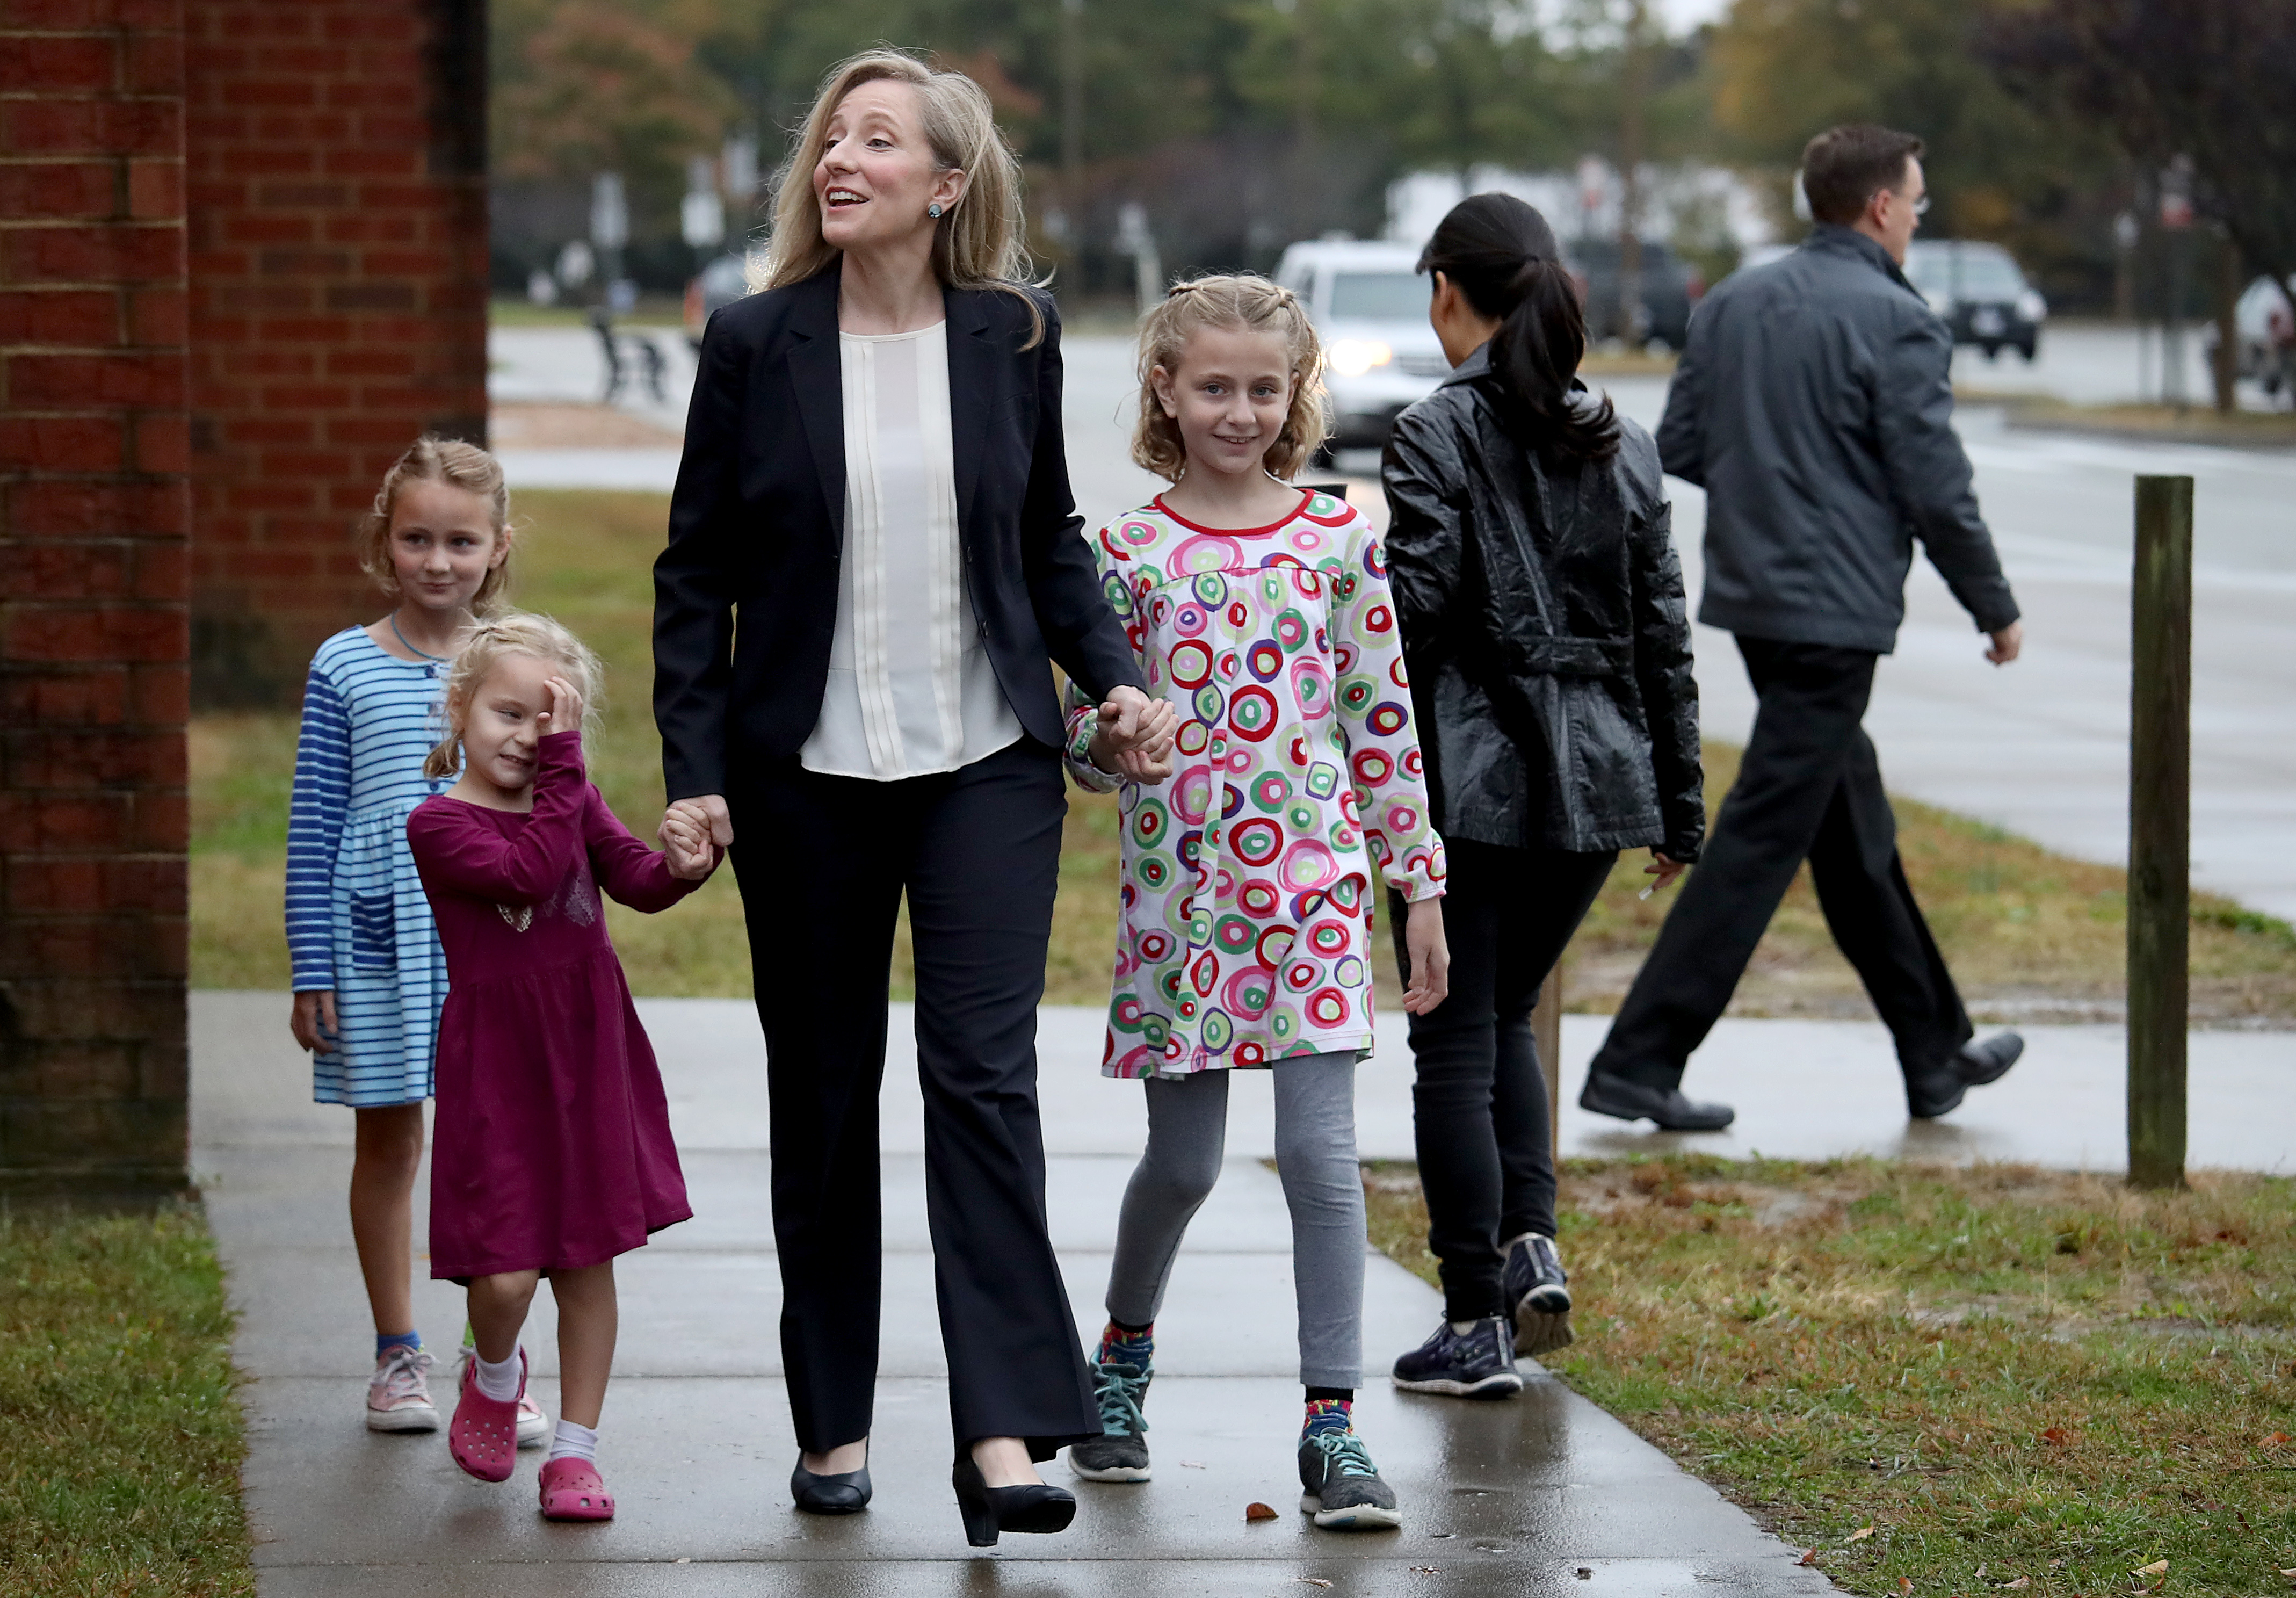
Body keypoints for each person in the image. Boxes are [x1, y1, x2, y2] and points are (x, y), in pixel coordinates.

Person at [651, 49, 1175, 1547]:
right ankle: (833, 1420)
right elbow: (696, 582)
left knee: (980, 1083)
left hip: (984, 764)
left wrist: (1113, 675)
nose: (840, 156)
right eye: (832, 134)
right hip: (802, 776)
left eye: (877, 140)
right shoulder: (754, 341)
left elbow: (1046, 537)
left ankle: (1003, 1431)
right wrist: (696, 778)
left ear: (944, 185)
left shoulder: (1012, 334)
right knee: (821, 1103)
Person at [1057, 273, 1447, 1532]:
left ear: (1296, 398)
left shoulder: (1339, 538)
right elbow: (1075, 726)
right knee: (1183, 1163)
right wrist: (1104, 742)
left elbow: (1382, 725)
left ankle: (1330, 1429)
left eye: (1262, 390)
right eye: (1212, 386)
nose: (1237, 411)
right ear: (1164, 389)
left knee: (1323, 1162)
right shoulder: (1122, 552)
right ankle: (1119, 1361)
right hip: (1182, 902)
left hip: (1316, 892)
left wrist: (1416, 887)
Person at [1580, 124, 2026, 1132]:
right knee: (1760, 840)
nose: (1917, 218)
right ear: (1878, 207)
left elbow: (1682, 445)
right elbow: (1934, 485)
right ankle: (1638, 1060)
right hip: (1835, 615)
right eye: (1915, 202)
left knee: (1850, 826)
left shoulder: (1734, 301)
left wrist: (1776, 484)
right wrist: (1991, 605)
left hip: (1754, 601)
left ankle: (1935, 1052)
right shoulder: (1896, 319)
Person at [1380, 194, 1705, 1395]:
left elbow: (1413, 618)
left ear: (1448, 295)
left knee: (1449, 1039)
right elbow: (1658, 638)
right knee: (1502, 1015)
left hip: (1469, 784)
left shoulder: (1431, 432)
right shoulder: (1620, 441)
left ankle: (1473, 1317)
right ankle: (1527, 1248)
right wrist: (1678, 807)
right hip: (1601, 790)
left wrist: (1360, 749)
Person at [407, 612, 718, 1522]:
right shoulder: (439, 822)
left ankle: (575, 1456)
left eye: (546, 725)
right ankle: (494, 1369)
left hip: (588, 1055)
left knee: (587, 1262)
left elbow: (632, 877)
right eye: (510, 715)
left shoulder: (566, 798)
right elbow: (529, 877)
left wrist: (683, 863)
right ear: (459, 709)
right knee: (502, 1277)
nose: (529, 741)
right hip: (500, 1068)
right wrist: (567, 760)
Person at [283, 436, 541, 1449]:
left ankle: (497, 1363)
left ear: (497, 547)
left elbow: (552, 805)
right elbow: (312, 823)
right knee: (389, 1140)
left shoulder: (518, 661)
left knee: (498, 1152)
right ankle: (398, 1352)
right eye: (418, 538)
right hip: (376, 942)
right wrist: (312, 964)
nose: (439, 561)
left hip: (492, 948)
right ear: (384, 544)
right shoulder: (343, 665)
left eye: (461, 541)